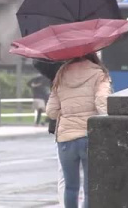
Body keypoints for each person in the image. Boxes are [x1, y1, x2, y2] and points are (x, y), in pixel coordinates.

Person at [46, 53, 112, 208]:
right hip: (90, 136)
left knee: (70, 187)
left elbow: (51, 111)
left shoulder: (61, 75)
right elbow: (102, 104)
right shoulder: (99, 74)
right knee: (90, 188)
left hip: (65, 139)